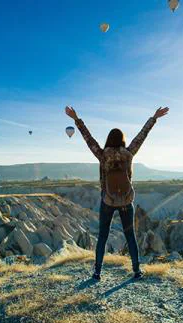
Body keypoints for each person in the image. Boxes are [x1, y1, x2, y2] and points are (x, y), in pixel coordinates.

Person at [65, 105, 169, 280]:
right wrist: (154, 118)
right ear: (122, 140)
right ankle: (136, 271)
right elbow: (142, 136)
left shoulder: (103, 154)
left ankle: (97, 272)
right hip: (126, 201)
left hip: (108, 200)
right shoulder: (129, 154)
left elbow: (88, 138)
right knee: (131, 237)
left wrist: (76, 119)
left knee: (103, 237)